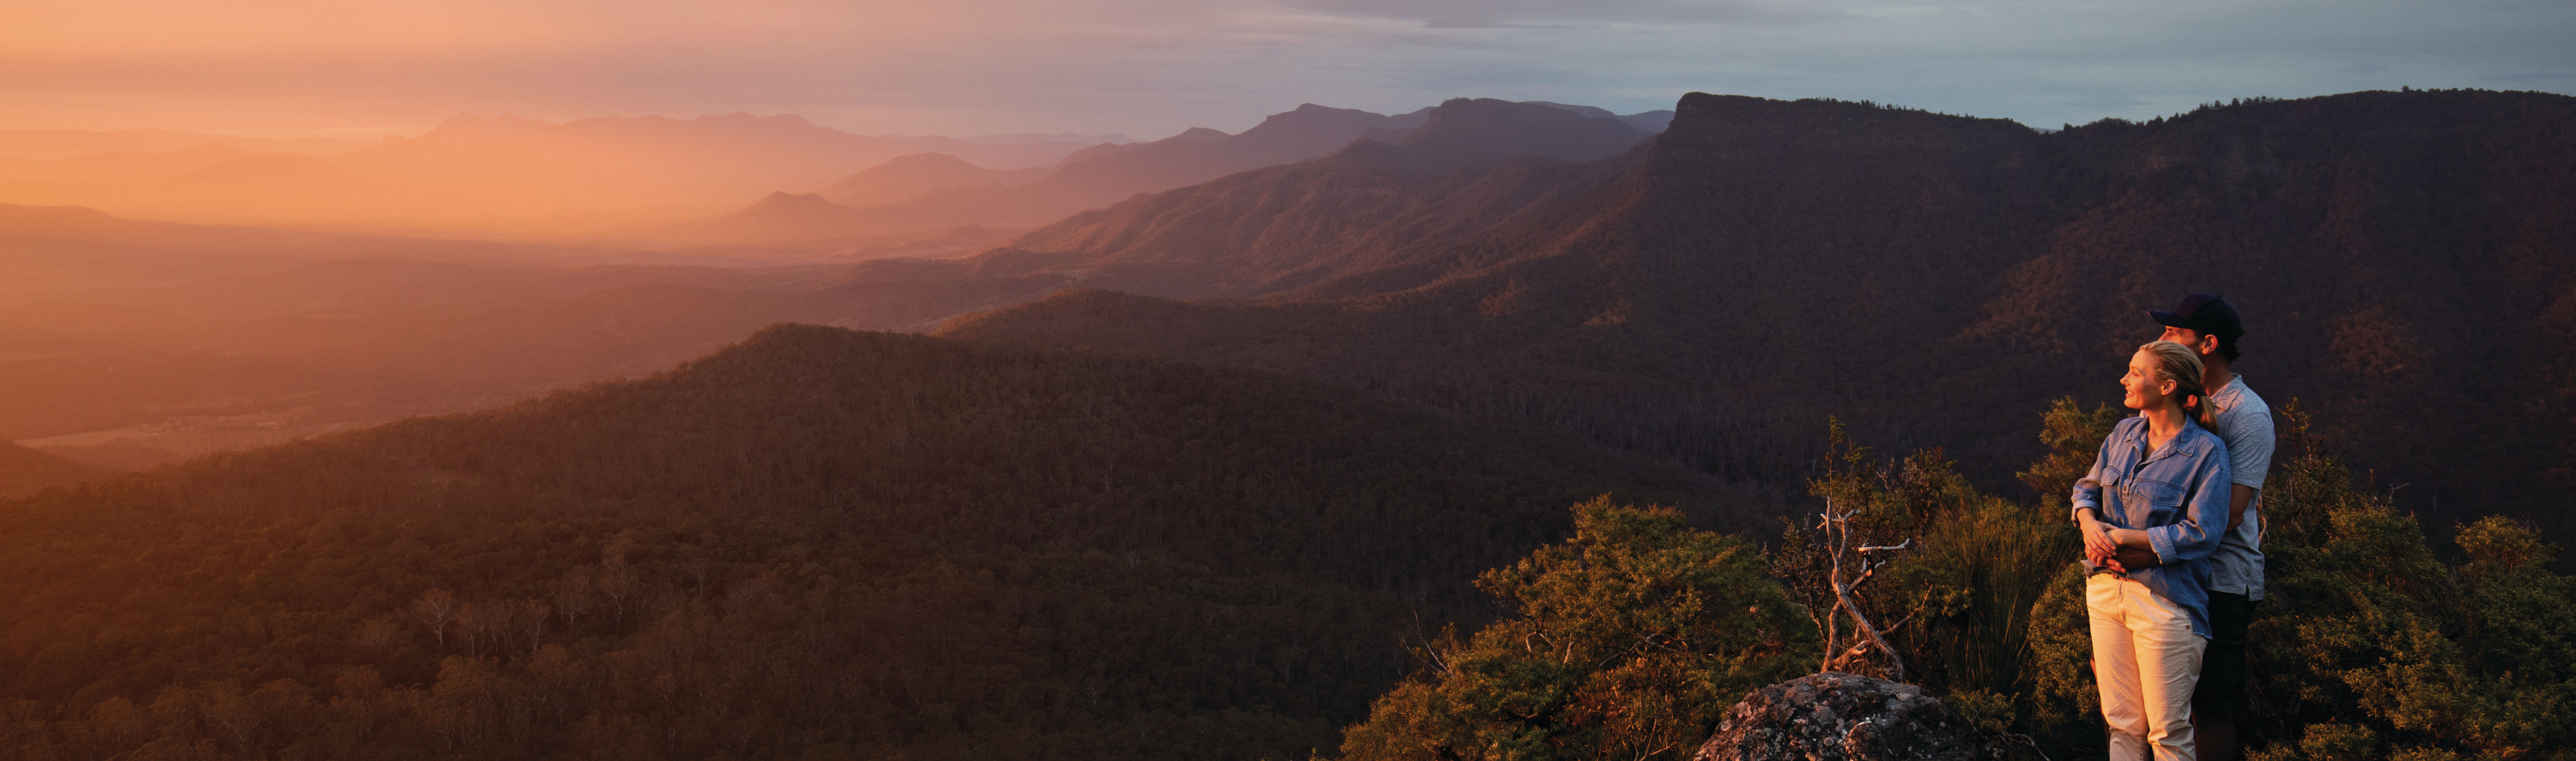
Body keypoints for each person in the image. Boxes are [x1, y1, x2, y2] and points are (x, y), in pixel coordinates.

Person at [2076, 340, 2232, 760]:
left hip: (2165, 601)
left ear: (2166, 386)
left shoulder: (2206, 452)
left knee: (2168, 731)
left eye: (2135, 373)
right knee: (2122, 724)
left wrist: (2127, 538)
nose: (2124, 379)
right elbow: (2086, 489)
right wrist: (2090, 525)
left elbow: (2204, 532)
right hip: (2106, 591)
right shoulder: (2123, 433)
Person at [2148, 294, 2271, 761]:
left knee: (2209, 708)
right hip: (2168, 570)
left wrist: (2145, 540)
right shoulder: (2173, 397)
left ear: (2208, 344)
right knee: (2155, 704)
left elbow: (2233, 511)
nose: (2162, 339)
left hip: (2221, 581)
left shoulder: (2248, 415)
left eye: (2174, 333)